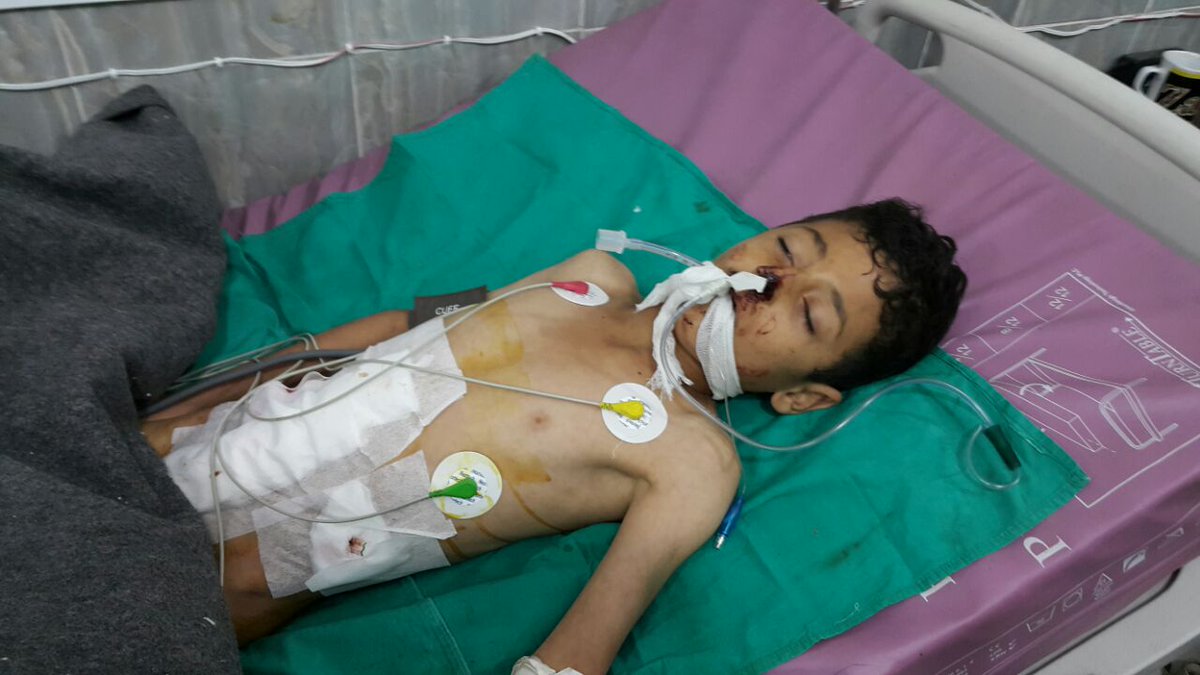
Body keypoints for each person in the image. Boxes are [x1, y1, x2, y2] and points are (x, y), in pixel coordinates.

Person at [142, 197, 966, 675]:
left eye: (809, 312)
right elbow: (401, 328)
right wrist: (190, 404)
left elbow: (578, 654)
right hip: (160, 448)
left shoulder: (692, 459)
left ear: (803, 396)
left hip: (200, 585)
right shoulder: (590, 279)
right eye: (786, 247)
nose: (771, 279)